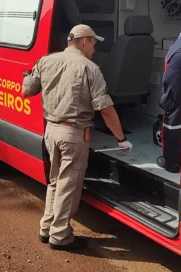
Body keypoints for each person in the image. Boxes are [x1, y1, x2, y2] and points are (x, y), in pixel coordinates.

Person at [22, 24, 132, 252]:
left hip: (51, 130)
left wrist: (29, 76)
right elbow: (106, 109)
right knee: (68, 184)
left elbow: (27, 91)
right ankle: (60, 236)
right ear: (83, 41)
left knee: (55, 181)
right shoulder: (90, 68)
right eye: (94, 42)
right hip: (73, 134)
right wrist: (121, 138)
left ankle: (46, 228)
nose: (95, 47)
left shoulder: (46, 61)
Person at [157, 26, 181, 173]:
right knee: (177, 109)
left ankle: (171, 163)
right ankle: (174, 161)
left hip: (180, 59)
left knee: (173, 110)